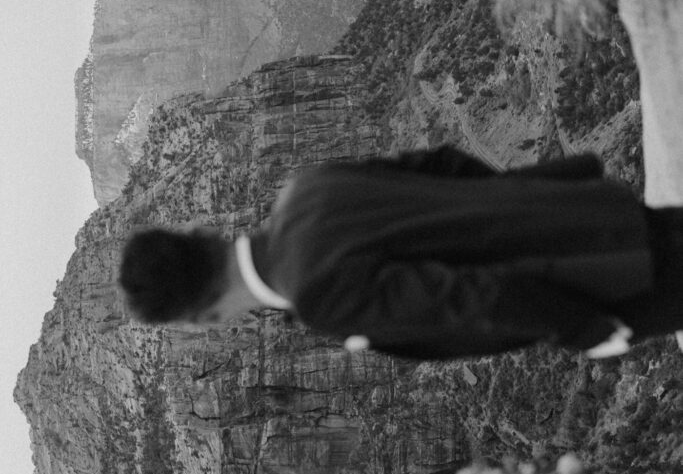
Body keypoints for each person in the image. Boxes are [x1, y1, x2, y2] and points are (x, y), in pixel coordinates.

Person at [119, 145, 683, 361]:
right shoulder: (305, 186)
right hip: (593, 216)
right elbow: (443, 162)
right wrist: (513, 211)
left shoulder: (318, 295)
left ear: (203, 319)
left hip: (610, 282)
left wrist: (587, 330)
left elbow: (474, 299)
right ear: (197, 231)